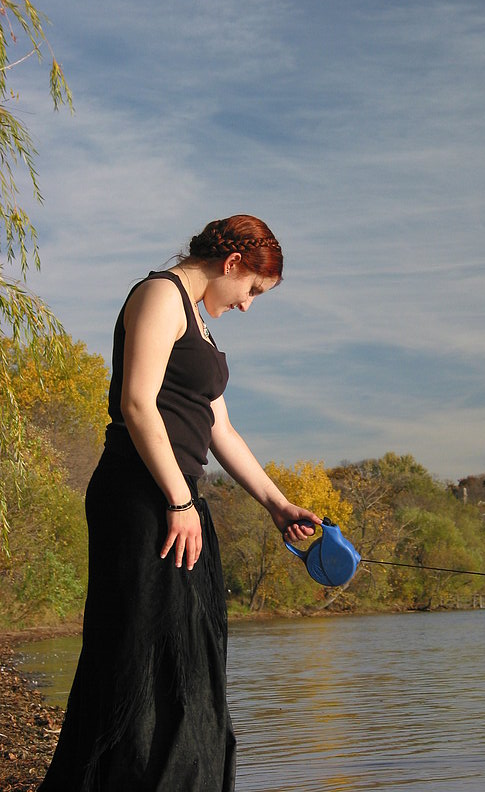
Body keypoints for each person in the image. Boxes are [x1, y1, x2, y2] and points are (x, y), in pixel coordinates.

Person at [39, 214, 320, 792]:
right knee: (142, 650)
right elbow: (137, 404)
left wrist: (277, 503)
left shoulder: (201, 323)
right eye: (251, 293)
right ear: (232, 265)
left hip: (177, 499)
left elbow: (221, 429)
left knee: (192, 652)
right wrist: (178, 499)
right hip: (143, 496)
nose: (246, 307)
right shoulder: (159, 295)